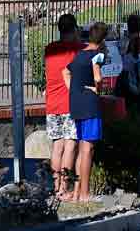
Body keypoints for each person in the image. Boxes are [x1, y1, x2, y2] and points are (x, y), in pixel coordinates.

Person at [63, 22, 108, 203]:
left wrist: (73, 90)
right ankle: (85, 193)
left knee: (81, 147)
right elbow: (98, 77)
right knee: (88, 149)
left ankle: (76, 192)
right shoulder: (97, 55)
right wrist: (96, 88)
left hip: (76, 104)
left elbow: (66, 71)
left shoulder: (80, 54)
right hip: (89, 104)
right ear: (103, 40)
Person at [44, 13, 84, 199]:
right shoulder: (77, 49)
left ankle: (55, 186)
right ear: (75, 29)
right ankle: (65, 188)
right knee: (70, 145)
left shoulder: (50, 49)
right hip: (70, 104)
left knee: (57, 146)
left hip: (52, 104)